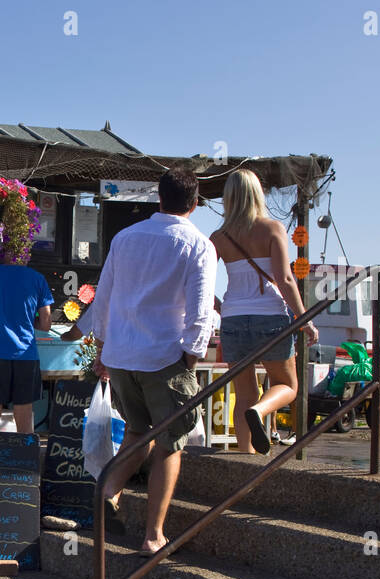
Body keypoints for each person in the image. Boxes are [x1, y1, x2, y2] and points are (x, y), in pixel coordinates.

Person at [89, 167, 216, 555]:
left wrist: (102, 347)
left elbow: (104, 297)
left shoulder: (125, 238)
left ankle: (109, 491)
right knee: (170, 444)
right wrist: (191, 360)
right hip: (163, 356)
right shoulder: (198, 244)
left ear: (157, 198)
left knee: (136, 431)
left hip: (123, 353)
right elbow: (201, 311)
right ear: (194, 205)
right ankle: (153, 535)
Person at [208, 169, 318, 455]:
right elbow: (285, 279)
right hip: (270, 316)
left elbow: (201, 283)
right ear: (257, 194)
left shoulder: (218, 237)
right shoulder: (272, 229)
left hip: (232, 319)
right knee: (287, 385)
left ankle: (245, 458)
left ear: (228, 198)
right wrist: (304, 319)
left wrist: (221, 308)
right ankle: (260, 411)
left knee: (244, 393)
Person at [0, 255, 54, 433]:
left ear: (2, 253)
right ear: (27, 253)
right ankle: (26, 456)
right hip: (26, 355)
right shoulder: (37, 278)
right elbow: (46, 323)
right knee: (24, 414)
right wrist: (28, 321)